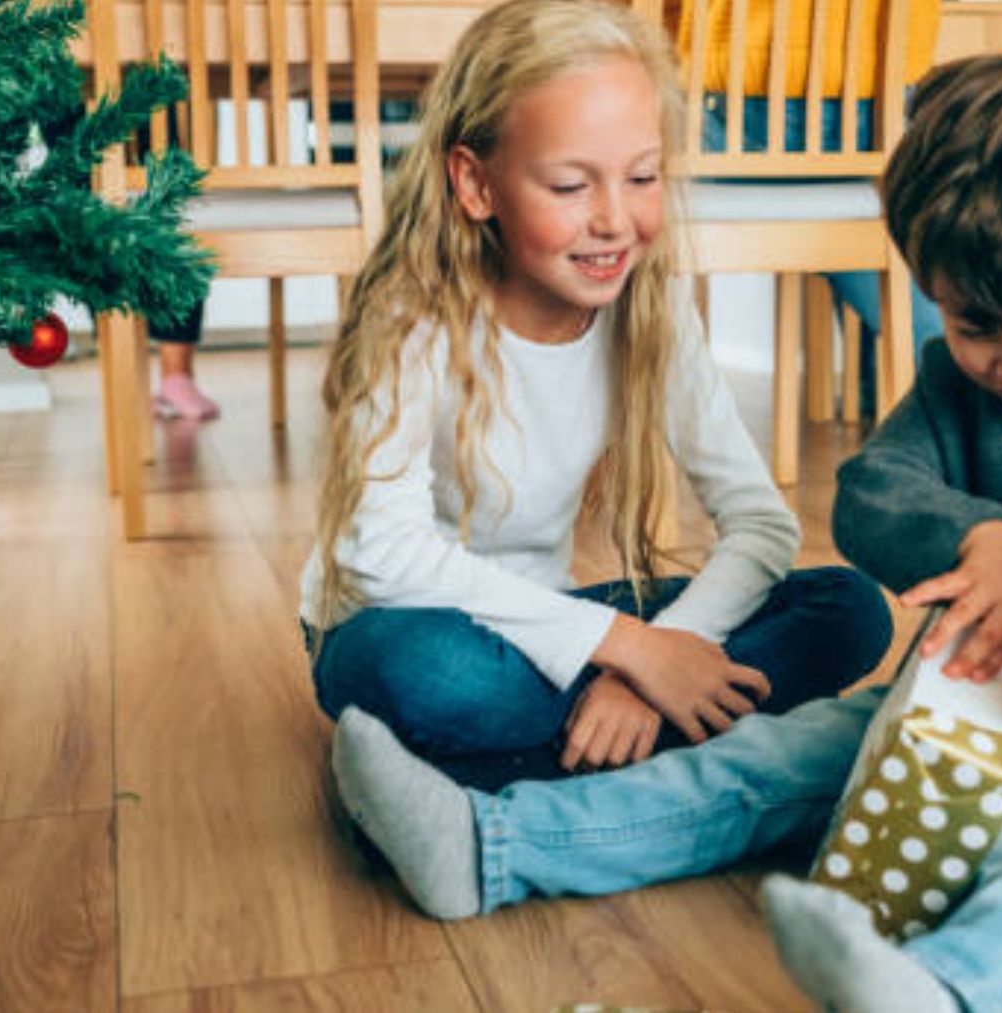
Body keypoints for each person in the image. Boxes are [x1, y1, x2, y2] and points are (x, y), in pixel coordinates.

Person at [327, 37, 1002, 1013]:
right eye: (977, 325)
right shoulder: (952, 383)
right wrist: (986, 535)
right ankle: (490, 845)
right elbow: (871, 494)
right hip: (945, 709)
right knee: (753, 765)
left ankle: (949, 986)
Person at [303, 0, 893, 794]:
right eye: (571, 184)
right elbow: (379, 556)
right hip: (403, 623)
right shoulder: (412, 316)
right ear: (476, 183)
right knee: (427, 674)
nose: (615, 219)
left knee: (849, 609)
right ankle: (668, 749)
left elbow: (760, 523)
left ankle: (537, 759)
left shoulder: (649, 307)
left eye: (643, 176)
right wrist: (630, 646)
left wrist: (650, 661)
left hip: (562, 630)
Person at [676, 0, 950, 377]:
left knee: (636, 140)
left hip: (733, 119)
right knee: (897, 194)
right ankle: (916, 368)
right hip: (875, 119)